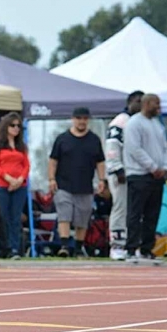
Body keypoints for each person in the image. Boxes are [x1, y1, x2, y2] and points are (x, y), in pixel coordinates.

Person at [48, 107, 106, 258]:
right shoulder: (62, 139)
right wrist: (51, 179)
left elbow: (100, 161)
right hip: (63, 185)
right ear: (73, 119)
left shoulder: (94, 140)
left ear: (88, 120)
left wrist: (101, 179)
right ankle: (65, 246)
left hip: (85, 186)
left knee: (82, 218)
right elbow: (53, 160)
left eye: (85, 119)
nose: (82, 121)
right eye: (79, 118)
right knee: (64, 216)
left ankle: (79, 247)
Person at [123, 94, 167, 263]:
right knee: (136, 214)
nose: (159, 106)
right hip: (139, 175)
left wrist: (165, 167)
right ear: (147, 104)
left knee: (152, 214)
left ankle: (147, 249)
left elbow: (165, 148)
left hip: (157, 177)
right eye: (156, 103)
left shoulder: (157, 124)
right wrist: (152, 167)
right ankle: (131, 248)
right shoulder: (134, 123)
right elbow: (134, 149)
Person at [104, 91, 144, 260]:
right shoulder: (120, 121)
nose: (140, 104)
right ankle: (117, 245)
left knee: (135, 210)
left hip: (138, 173)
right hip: (121, 173)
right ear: (130, 103)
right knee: (120, 207)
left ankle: (133, 244)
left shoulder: (142, 122)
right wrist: (117, 168)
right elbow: (112, 145)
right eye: (138, 101)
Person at [0, 112, 30, 257]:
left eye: (18, 126)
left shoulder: (21, 146)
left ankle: (14, 248)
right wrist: (9, 179)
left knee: (15, 217)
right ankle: (1, 247)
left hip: (20, 186)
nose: (16, 128)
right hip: (2, 185)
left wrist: (20, 180)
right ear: (5, 126)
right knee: (2, 216)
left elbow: (26, 165)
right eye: (12, 125)